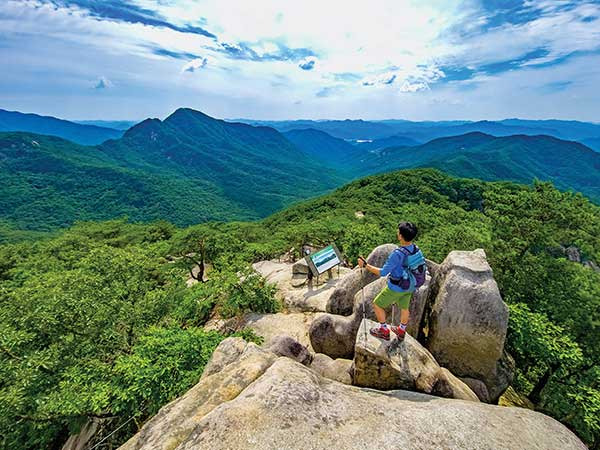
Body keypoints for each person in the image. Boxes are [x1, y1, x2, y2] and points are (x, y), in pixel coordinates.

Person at [357, 221, 425, 342]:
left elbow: (383, 272)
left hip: (397, 287)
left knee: (377, 304)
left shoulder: (397, 254)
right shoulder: (416, 249)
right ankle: (401, 330)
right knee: (404, 308)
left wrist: (365, 265)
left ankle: (384, 330)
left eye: (398, 232)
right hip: (411, 284)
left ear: (400, 236)